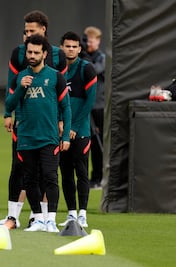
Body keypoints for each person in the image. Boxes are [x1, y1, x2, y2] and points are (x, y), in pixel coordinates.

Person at [0, 10, 67, 229]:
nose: (26, 35)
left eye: (31, 31)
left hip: (48, 124)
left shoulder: (57, 56)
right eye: (25, 31)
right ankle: (12, 217)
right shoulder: (18, 53)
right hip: (23, 123)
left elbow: (61, 92)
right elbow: (12, 83)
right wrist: (8, 114)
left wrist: (61, 120)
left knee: (48, 172)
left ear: (43, 30)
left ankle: (42, 217)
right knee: (18, 168)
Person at [5, 34, 71, 232]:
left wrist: (65, 136)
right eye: (29, 52)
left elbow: (66, 108)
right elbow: (9, 105)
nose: (31, 55)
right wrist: (19, 88)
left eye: (36, 52)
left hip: (49, 137)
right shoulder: (19, 78)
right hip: (26, 138)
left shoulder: (55, 76)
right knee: (29, 179)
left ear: (44, 54)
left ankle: (51, 220)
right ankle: (39, 219)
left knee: (50, 177)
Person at [58, 31, 97, 228]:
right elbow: (54, 101)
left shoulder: (87, 69)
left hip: (80, 130)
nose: (71, 49)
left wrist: (72, 126)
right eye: (67, 46)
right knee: (65, 172)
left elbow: (89, 102)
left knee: (81, 172)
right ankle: (71, 213)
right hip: (62, 130)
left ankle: (83, 213)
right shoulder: (57, 71)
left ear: (79, 49)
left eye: (74, 46)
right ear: (61, 47)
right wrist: (61, 123)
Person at [84, 26, 106, 189]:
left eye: (91, 40)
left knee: (99, 144)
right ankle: (92, 177)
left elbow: (94, 70)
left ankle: (100, 177)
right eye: (87, 40)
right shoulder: (84, 57)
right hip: (86, 106)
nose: (89, 43)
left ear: (98, 41)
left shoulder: (102, 58)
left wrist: (84, 56)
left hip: (99, 106)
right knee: (87, 143)